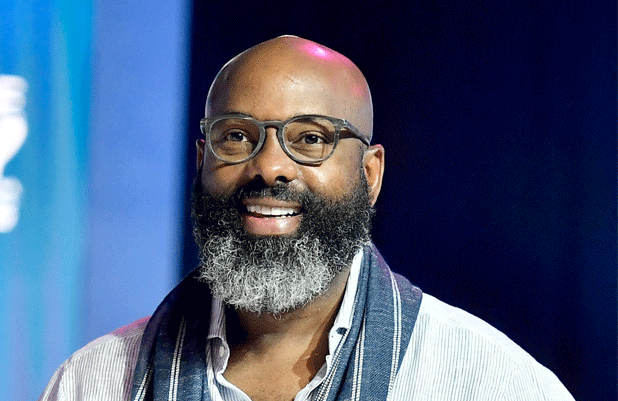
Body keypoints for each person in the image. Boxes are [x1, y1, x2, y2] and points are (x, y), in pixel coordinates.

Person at [39, 36, 575, 401]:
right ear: (200, 160)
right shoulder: (95, 383)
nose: (269, 167)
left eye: (311, 139)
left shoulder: (488, 382)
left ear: (370, 174)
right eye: (237, 136)